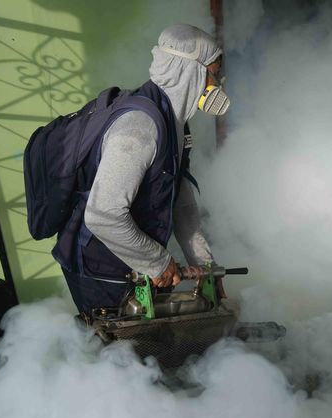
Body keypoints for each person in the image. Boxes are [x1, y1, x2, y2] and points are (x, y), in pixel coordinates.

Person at [52, 24, 229, 314]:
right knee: (119, 355)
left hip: (134, 262)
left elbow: (181, 202)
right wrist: (157, 262)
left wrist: (206, 266)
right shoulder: (140, 129)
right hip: (101, 270)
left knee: (153, 350)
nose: (217, 83)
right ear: (189, 71)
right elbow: (103, 216)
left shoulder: (174, 123)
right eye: (213, 72)